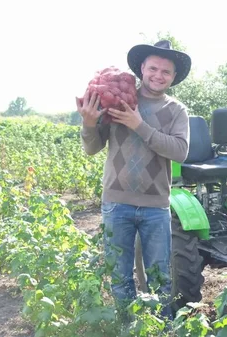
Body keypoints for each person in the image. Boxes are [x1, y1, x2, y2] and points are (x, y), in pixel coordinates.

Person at [76, 40, 191, 321]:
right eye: (153, 68)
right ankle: (128, 327)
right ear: (142, 68)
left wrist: (138, 124)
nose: (158, 75)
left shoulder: (176, 110)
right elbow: (92, 148)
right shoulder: (118, 98)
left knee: (160, 278)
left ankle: (158, 327)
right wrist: (89, 123)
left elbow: (179, 151)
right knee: (120, 277)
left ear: (173, 77)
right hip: (117, 203)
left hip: (156, 207)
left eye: (166, 71)